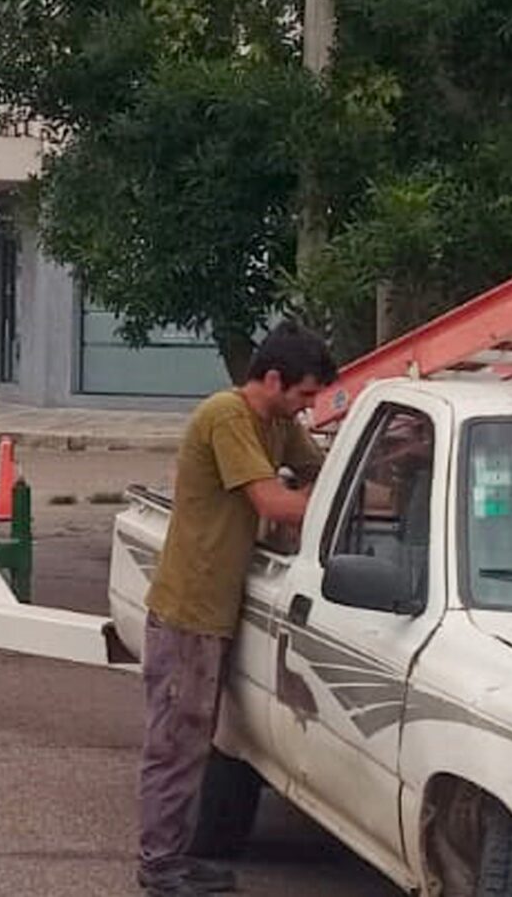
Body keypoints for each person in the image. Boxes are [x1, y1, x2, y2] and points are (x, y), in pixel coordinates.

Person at [137, 320, 336, 895]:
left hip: (215, 608)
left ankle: (175, 855)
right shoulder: (228, 416)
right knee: (175, 744)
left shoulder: (278, 424)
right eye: (303, 394)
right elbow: (275, 502)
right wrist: (334, 501)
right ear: (273, 379)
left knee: (194, 741)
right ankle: (159, 865)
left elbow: (323, 473)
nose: (307, 407)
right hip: (189, 610)